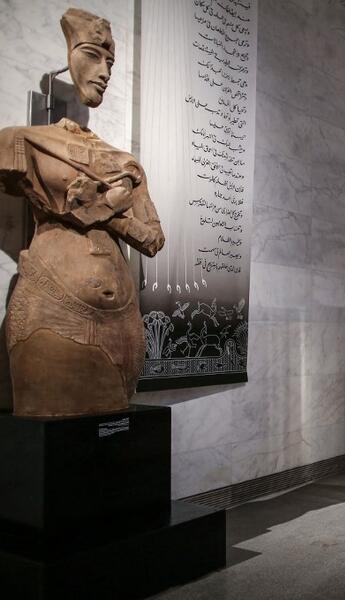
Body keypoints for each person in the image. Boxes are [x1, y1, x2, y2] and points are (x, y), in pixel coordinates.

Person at [0, 8, 164, 416]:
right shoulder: (23, 141)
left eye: (111, 62)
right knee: (51, 440)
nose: (104, 71)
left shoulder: (124, 162)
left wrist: (107, 210)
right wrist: (107, 202)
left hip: (122, 322)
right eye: (93, 55)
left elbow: (153, 240)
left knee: (115, 442)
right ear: (69, 55)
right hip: (52, 310)